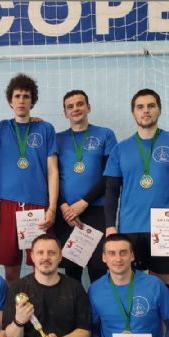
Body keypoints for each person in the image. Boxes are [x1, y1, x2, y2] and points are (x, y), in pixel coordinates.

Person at [104, 88, 169, 289]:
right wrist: (110, 226)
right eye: (140, 107)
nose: (145, 110)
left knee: (160, 285)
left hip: (166, 226)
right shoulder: (120, 149)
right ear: (133, 113)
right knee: (131, 285)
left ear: (159, 110)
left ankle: (163, 313)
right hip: (130, 227)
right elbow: (111, 191)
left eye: (151, 106)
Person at [0, 73, 59, 284]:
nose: (21, 100)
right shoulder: (1, 127)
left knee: (42, 263)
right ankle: (12, 303)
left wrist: (52, 208)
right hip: (9, 205)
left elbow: (53, 170)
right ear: (10, 101)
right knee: (10, 266)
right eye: (17, 96)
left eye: (26, 96)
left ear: (32, 101)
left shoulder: (45, 128)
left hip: (38, 204)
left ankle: (41, 301)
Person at [56, 89, 117, 283]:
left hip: (96, 210)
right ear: (65, 113)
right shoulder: (56, 139)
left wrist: (84, 202)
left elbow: (110, 175)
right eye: (70, 106)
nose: (75, 109)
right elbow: (50, 177)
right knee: (72, 272)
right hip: (67, 215)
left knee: (98, 269)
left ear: (88, 107)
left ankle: (97, 304)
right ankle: (75, 305)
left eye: (80, 104)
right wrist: (63, 206)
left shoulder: (105, 134)